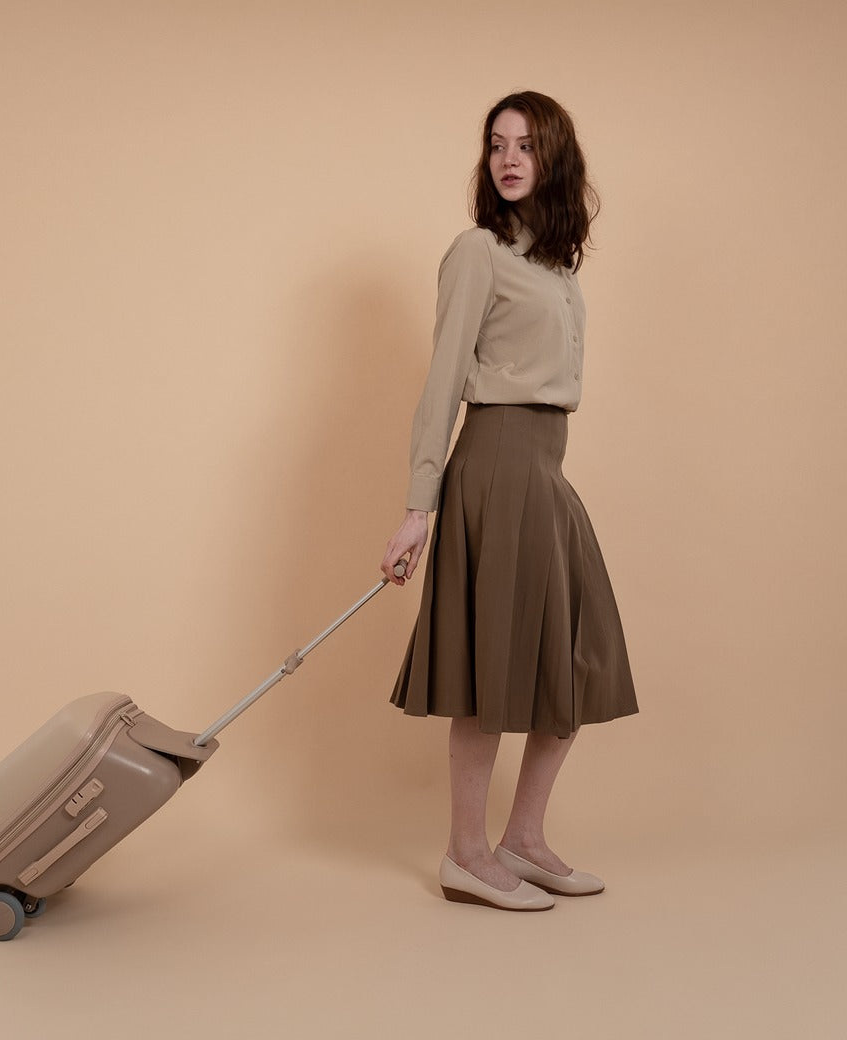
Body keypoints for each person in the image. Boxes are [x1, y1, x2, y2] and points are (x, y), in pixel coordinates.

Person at [380, 92, 639, 912]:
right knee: (493, 663)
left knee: (576, 655)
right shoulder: (477, 253)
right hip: (495, 463)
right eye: (496, 145)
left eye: (525, 144)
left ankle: (521, 839)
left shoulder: (556, 268)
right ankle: (465, 852)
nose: (508, 158)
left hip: (545, 468)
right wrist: (420, 505)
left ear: (554, 157)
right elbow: (445, 379)